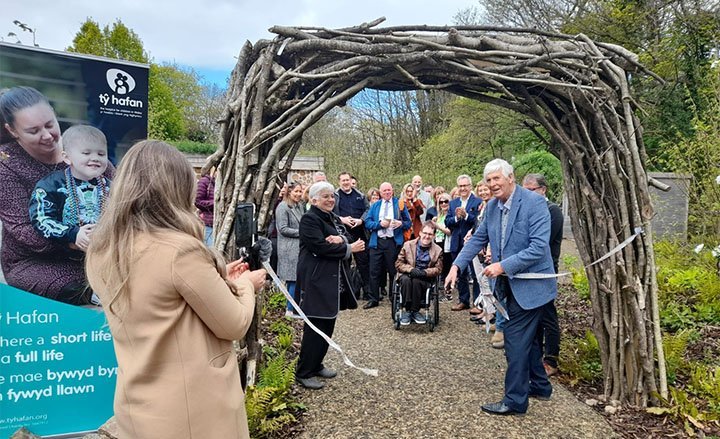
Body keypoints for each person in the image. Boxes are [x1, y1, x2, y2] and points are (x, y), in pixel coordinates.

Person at [86, 140, 267, 438]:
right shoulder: (181, 251)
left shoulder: (104, 250)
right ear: (176, 189)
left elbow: (162, 306)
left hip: (139, 404)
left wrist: (219, 279)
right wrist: (245, 285)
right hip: (192, 411)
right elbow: (233, 323)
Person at [445, 158, 556, 416]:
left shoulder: (535, 203)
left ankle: (515, 401)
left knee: (515, 341)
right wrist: (456, 267)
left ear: (510, 178)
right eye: (489, 180)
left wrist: (502, 266)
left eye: (497, 179)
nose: (493, 184)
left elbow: (539, 248)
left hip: (533, 288)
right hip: (507, 287)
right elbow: (477, 240)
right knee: (527, 340)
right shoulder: (492, 208)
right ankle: (540, 385)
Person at [0, 86, 111, 304]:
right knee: (82, 286)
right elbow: (23, 229)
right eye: (33, 131)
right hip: (36, 260)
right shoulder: (5, 167)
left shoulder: (83, 144)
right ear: (12, 131)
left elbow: (121, 189)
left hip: (99, 249)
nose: (47, 136)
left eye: (50, 124)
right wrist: (74, 239)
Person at [295, 181, 365, 390]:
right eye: (326, 196)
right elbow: (319, 246)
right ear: (314, 199)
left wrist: (340, 239)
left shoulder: (331, 217)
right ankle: (304, 371)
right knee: (315, 327)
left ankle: (316, 364)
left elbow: (345, 234)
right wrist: (348, 247)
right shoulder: (309, 219)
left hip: (332, 280)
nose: (330, 200)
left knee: (328, 324)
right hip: (317, 280)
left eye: (332, 196)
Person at [29, 125, 110, 254]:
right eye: (86, 153)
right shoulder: (51, 185)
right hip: (63, 255)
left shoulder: (112, 187)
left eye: (101, 154)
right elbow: (41, 219)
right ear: (67, 158)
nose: (95, 158)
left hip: (106, 252)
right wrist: (73, 234)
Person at [522, 173, 564, 376]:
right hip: (527, 271)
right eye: (525, 191)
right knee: (532, 315)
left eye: (531, 190)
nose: (527, 194)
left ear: (542, 190)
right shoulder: (527, 210)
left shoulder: (552, 211)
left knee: (548, 315)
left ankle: (551, 359)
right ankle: (535, 355)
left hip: (545, 272)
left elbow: (540, 243)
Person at [363, 182, 411, 309]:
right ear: (380, 192)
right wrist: (379, 224)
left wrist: (400, 223)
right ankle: (373, 298)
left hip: (392, 242)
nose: (387, 193)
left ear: (392, 190)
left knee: (393, 270)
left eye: (389, 190)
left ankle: (393, 297)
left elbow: (408, 223)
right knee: (374, 271)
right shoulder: (375, 205)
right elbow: (367, 223)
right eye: (384, 191)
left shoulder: (399, 204)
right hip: (377, 242)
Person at [395, 222, 443, 325]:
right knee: (406, 280)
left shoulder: (438, 250)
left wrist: (424, 272)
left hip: (424, 277)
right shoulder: (408, 245)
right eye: (425, 233)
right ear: (420, 233)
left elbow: (438, 269)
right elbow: (398, 263)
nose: (427, 236)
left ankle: (415, 311)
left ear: (434, 235)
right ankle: (407, 311)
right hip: (407, 274)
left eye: (430, 234)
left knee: (417, 281)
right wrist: (411, 270)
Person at [445, 174, 481, 311]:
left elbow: (479, 222)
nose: (463, 188)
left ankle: (478, 303)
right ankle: (463, 300)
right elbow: (447, 222)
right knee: (460, 274)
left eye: (465, 185)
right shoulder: (453, 203)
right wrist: (456, 217)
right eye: (460, 186)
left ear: (470, 186)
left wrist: (466, 216)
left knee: (476, 273)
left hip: (472, 243)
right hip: (456, 242)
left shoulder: (477, 201)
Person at [334, 172, 370, 298]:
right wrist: (341, 219)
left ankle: (368, 293)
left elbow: (367, 210)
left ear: (351, 181)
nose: (345, 182)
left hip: (359, 233)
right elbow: (329, 213)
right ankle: (345, 293)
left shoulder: (360, 195)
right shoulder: (335, 196)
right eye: (343, 180)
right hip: (342, 234)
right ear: (339, 182)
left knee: (363, 264)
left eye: (347, 180)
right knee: (344, 264)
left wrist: (361, 220)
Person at [276, 181, 305, 317]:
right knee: (292, 279)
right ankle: (290, 309)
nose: (299, 194)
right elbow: (282, 229)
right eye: (296, 191)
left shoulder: (299, 206)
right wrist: (302, 232)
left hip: (298, 247)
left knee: (297, 278)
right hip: (288, 248)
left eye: (300, 191)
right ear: (289, 192)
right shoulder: (283, 207)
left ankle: (295, 307)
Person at [195, 168, 215, 246]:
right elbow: (197, 201)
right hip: (208, 224)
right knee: (210, 250)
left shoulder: (221, 183)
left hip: (220, 224)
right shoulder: (204, 182)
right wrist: (216, 203)